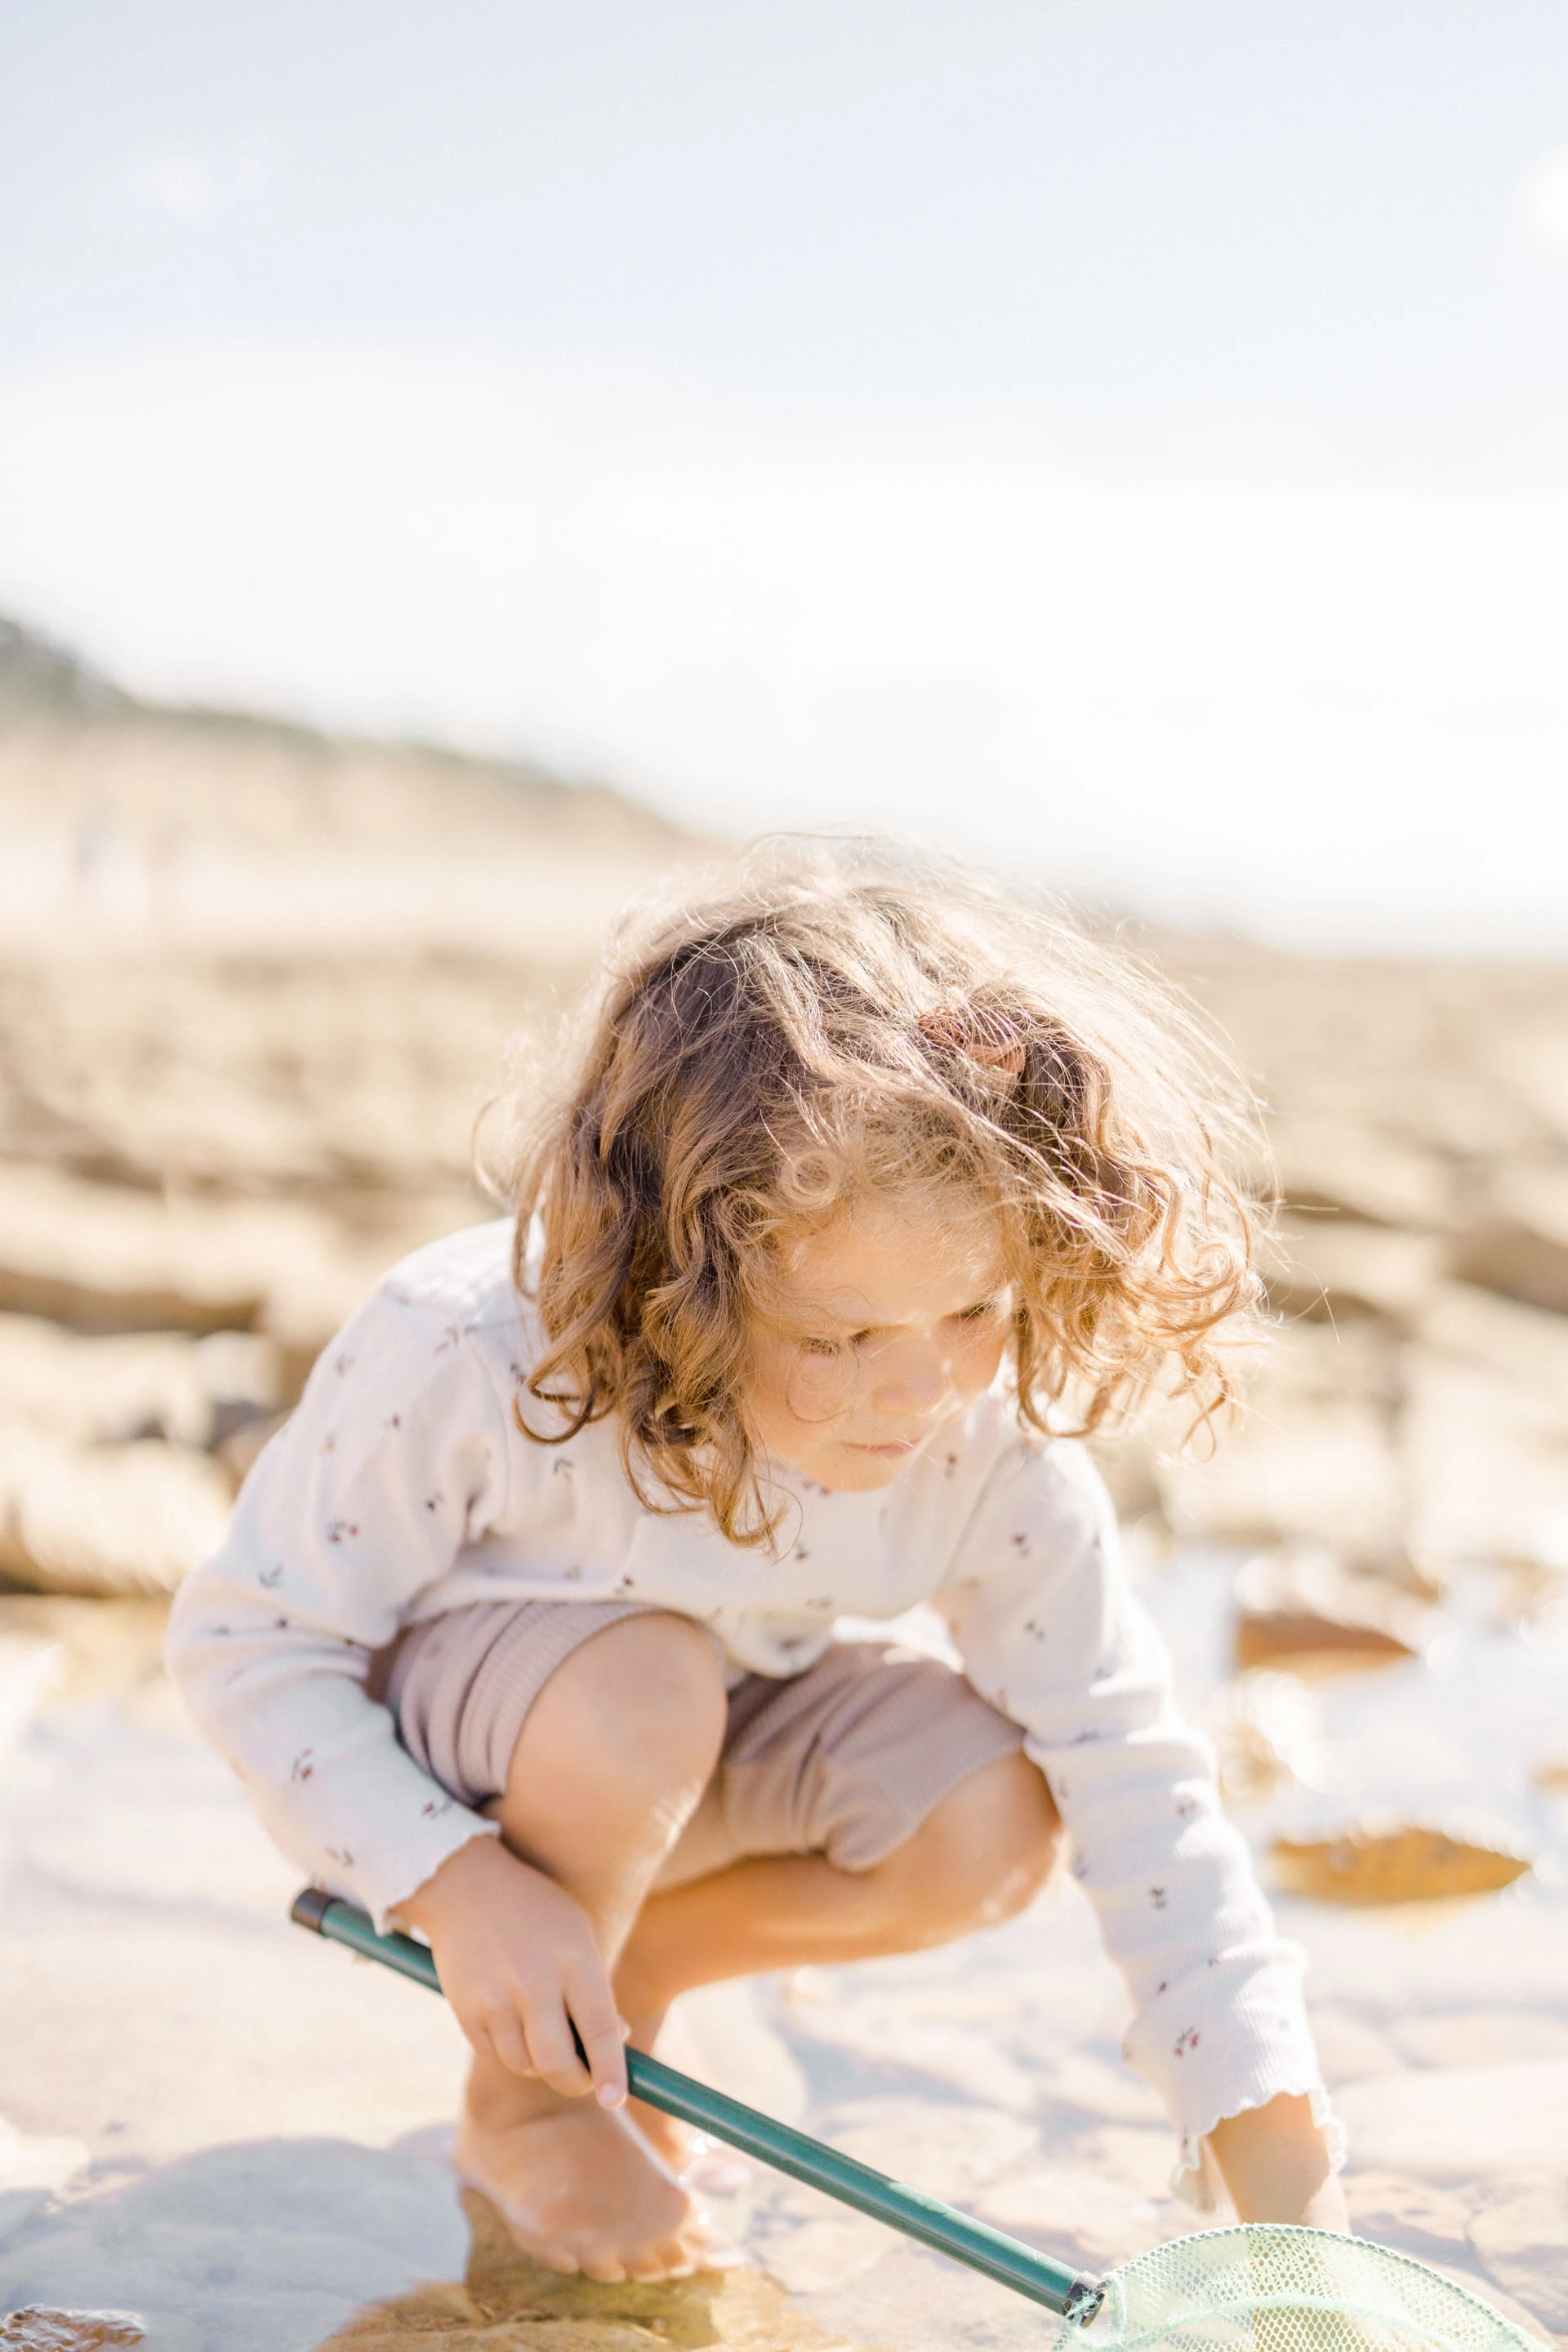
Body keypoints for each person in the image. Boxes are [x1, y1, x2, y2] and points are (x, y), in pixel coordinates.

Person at [167, 844, 1347, 2286]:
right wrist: (456, 1885)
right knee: (643, 1689)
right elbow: (247, 1646)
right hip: (491, 1743)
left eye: (974, 1309)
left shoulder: (986, 1447)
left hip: (698, 1739)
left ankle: (632, 1972)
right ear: (678, 1278)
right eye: (839, 1338)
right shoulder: (469, 1352)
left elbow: (1131, 1769)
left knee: (994, 1811)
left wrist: (1281, 2176)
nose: (920, 1391)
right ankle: (529, 2107)